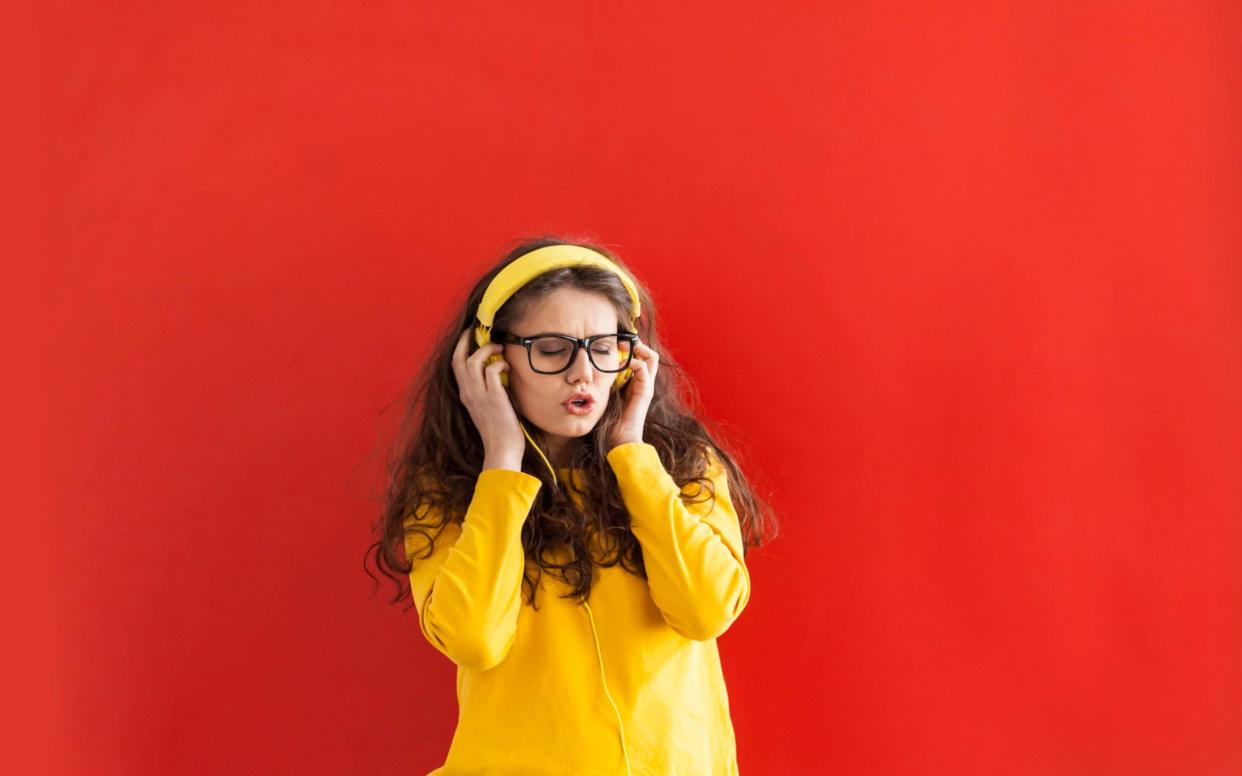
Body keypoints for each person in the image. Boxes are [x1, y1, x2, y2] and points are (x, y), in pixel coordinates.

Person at [365, 236, 778, 775]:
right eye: (552, 349)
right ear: (492, 359)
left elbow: (705, 612)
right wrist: (503, 461)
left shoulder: (684, 467)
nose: (583, 373)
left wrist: (632, 455)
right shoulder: (446, 492)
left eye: (605, 348)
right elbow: (474, 638)